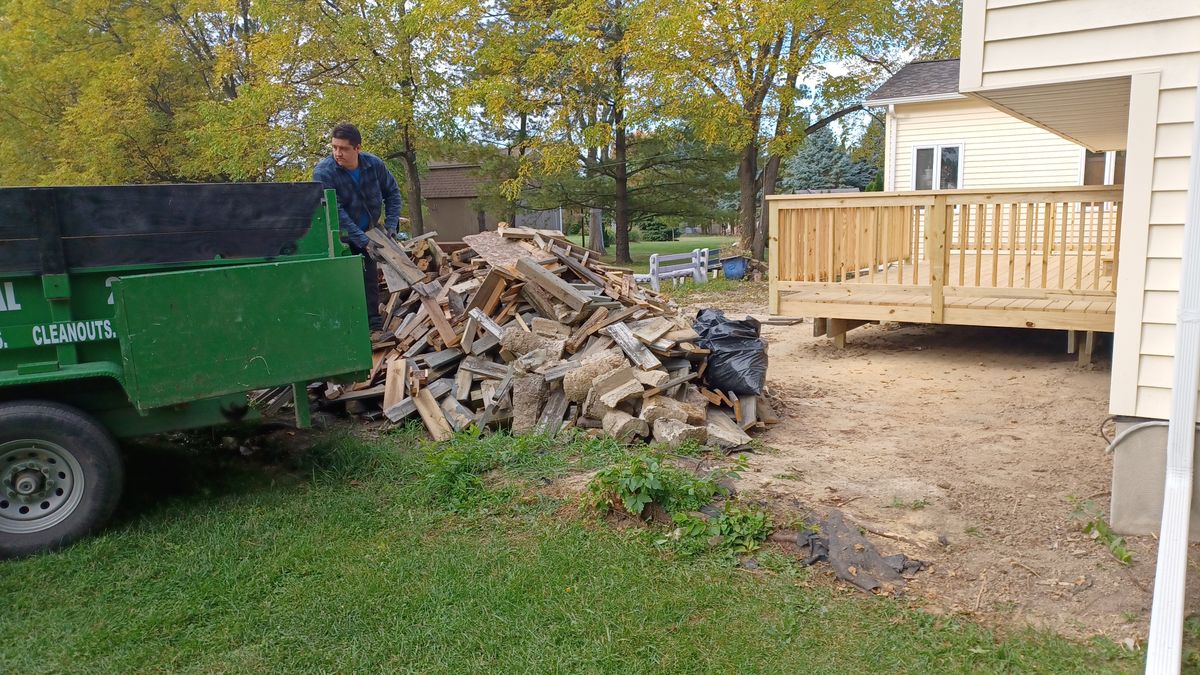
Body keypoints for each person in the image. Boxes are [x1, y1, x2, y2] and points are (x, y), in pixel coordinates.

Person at [313, 122, 403, 331]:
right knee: (344, 282)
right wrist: (364, 242)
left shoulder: (374, 165)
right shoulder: (324, 173)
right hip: (339, 237)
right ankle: (343, 328)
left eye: (343, 148)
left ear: (357, 148)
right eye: (334, 147)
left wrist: (390, 227)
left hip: (370, 231)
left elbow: (392, 193)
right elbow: (337, 213)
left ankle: (373, 327)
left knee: (369, 278)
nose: (338, 153)